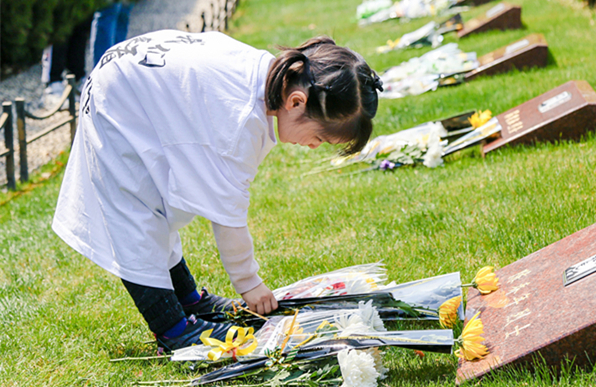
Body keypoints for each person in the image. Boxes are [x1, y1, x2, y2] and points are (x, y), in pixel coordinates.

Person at [51, 30, 383, 352]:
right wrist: (249, 284)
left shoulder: (265, 77)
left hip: (133, 75)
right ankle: (174, 330)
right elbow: (228, 218)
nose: (312, 146)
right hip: (119, 98)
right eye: (320, 138)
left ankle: (192, 301)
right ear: (296, 101)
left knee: (156, 208)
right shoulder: (238, 122)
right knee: (135, 214)